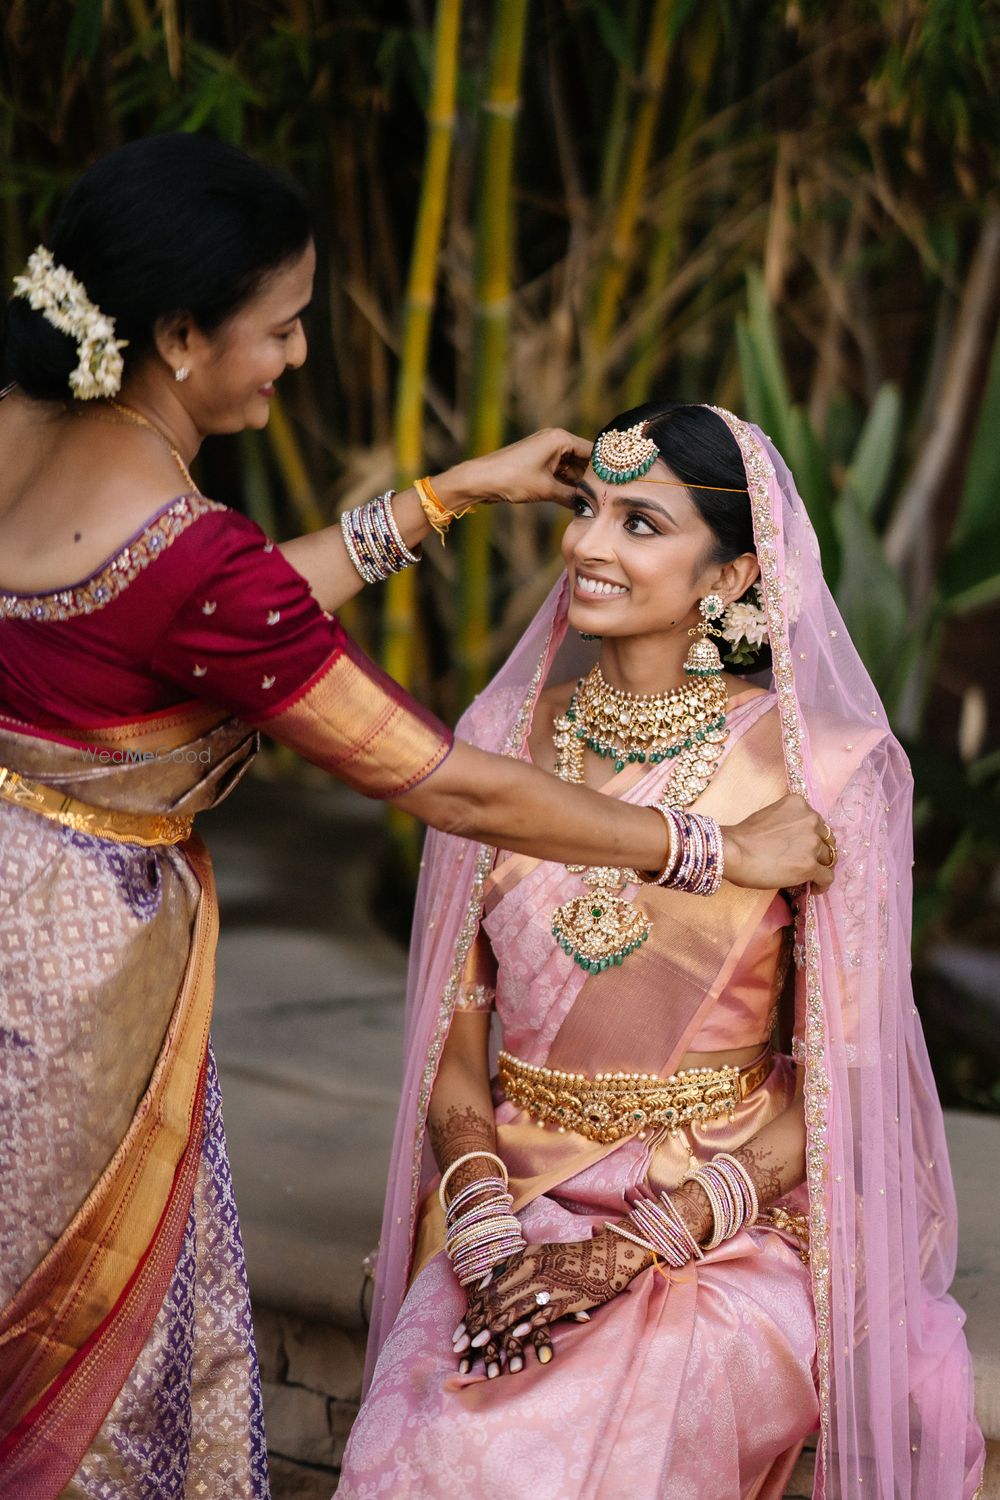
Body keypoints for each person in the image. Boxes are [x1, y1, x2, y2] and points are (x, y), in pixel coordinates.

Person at [0, 140, 832, 1499]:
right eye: (280, 326)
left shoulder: (15, 432)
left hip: (17, 894)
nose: (300, 355)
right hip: (74, 973)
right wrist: (714, 850)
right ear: (176, 334)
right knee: (65, 1322)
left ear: (734, 574)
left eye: (648, 524)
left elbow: (224, 608)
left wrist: (450, 491)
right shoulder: (202, 555)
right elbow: (448, 782)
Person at [340, 403, 985, 1500]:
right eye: (587, 509)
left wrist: (635, 1246)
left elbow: (846, 1082)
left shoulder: (828, 772)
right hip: (508, 1200)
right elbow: (457, 1041)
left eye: (641, 523)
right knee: (430, 1444)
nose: (587, 543)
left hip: (722, 1222)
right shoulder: (497, 747)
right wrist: (490, 1236)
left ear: (731, 578)